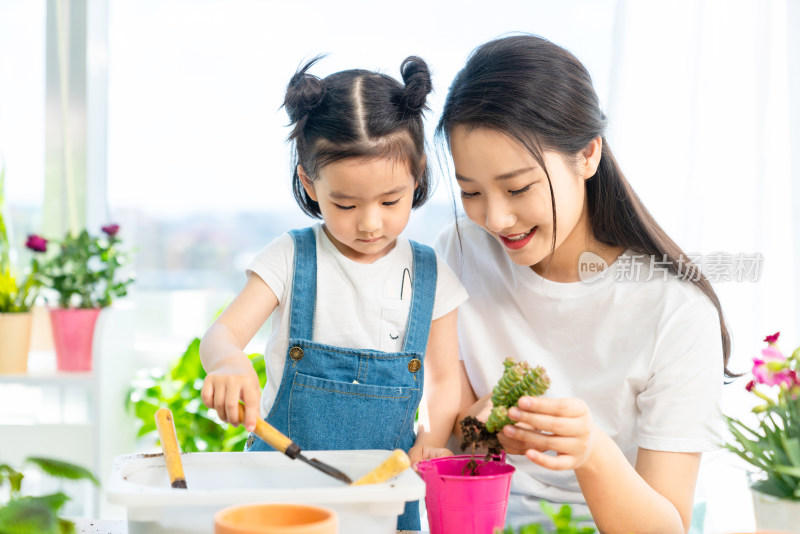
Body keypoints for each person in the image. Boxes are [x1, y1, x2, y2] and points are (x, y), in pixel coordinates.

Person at [434, 35, 732, 533]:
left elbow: (668, 527)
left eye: (518, 187)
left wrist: (591, 451)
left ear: (588, 154)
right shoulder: (459, 252)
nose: (496, 217)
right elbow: (456, 443)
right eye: (471, 192)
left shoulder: (675, 312)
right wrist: (480, 427)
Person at [199, 56, 467, 530]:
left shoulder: (430, 273)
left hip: (382, 496)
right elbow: (223, 333)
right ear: (309, 182)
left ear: (418, 175)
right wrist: (228, 362)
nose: (369, 222)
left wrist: (433, 434)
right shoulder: (291, 257)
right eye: (345, 203)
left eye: (390, 201)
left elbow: (446, 379)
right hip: (280, 489)